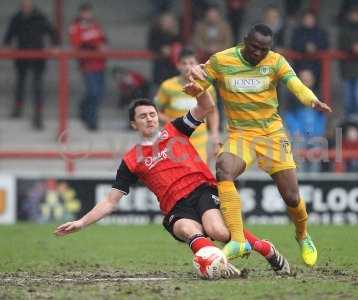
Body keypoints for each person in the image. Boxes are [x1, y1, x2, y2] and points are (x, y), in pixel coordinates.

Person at [54, 95, 291, 276]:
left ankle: (264, 248)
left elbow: (206, 107)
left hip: (202, 190)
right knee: (187, 230)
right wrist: (82, 222)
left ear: (158, 116)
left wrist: (200, 91)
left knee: (218, 231)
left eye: (152, 114)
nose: (149, 119)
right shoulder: (130, 160)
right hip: (176, 207)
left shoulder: (175, 129)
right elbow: (110, 201)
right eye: (142, 116)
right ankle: (218, 264)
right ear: (133, 124)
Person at [186, 24, 332, 266]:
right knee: (223, 169)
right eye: (254, 47)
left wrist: (311, 100)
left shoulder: (275, 61)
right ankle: (238, 239)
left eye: (264, 49)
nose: (258, 53)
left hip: (271, 135)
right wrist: (194, 86)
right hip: (240, 135)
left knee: (292, 197)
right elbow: (202, 84)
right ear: (245, 41)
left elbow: (294, 83)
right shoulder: (222, 60)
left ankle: (302, 234)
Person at [155, 48, 220, 163]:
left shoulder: (207, 87)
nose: (187, 67)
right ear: (178, 65)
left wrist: (214, 135)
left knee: (199, 178)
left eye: (191, 63)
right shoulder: (167, 86)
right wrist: (171, 121)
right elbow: (154, 112)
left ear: (198, 65)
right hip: (174, 142)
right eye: (184, 63)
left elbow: (213, 112)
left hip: (198, 143)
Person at [3, 0, 58, 130]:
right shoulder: (16, 17)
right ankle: (17, 109)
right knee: (20, 84)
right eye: (23, 5)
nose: (25, 7)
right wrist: (7, 44)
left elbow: (52, 31)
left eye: (27, 5)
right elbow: (9, 34)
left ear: (31, 5)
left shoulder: (40, 16)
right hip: (22, 55)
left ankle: (38, 116)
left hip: (38, 56)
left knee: (37, 87)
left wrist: (54, 45)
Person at [69, 3, 107, 131]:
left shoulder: (96, 25)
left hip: (100, 63)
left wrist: (100, 45)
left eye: (89, 12)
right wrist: (94, 44)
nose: (87, 15)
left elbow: (103, 40)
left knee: (99, 94)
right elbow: (77, 43)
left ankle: (83, 108)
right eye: (84, 12)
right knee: (93, 92)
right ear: (80, 13)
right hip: (87, 65)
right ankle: (92, 121)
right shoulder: (75, 26)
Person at [290, 11, 329, 88]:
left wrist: (315, 47)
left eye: (310, 18)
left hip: (316, 66)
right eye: (307, 18)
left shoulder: (320, 32)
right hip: (300, 65)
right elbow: (293, 45)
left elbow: (325, 45)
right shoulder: (297, 32)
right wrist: (305, 47)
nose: (309, 20)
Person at [147, 12, 181, 86]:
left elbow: (181, 47)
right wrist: (161, 49)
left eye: (169, 21)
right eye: (165, 21)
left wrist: (171, 50)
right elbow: (151, 46)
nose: (167, 23)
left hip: (174, 66)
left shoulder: (178, 34)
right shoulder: (155, 33)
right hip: (160, 67)